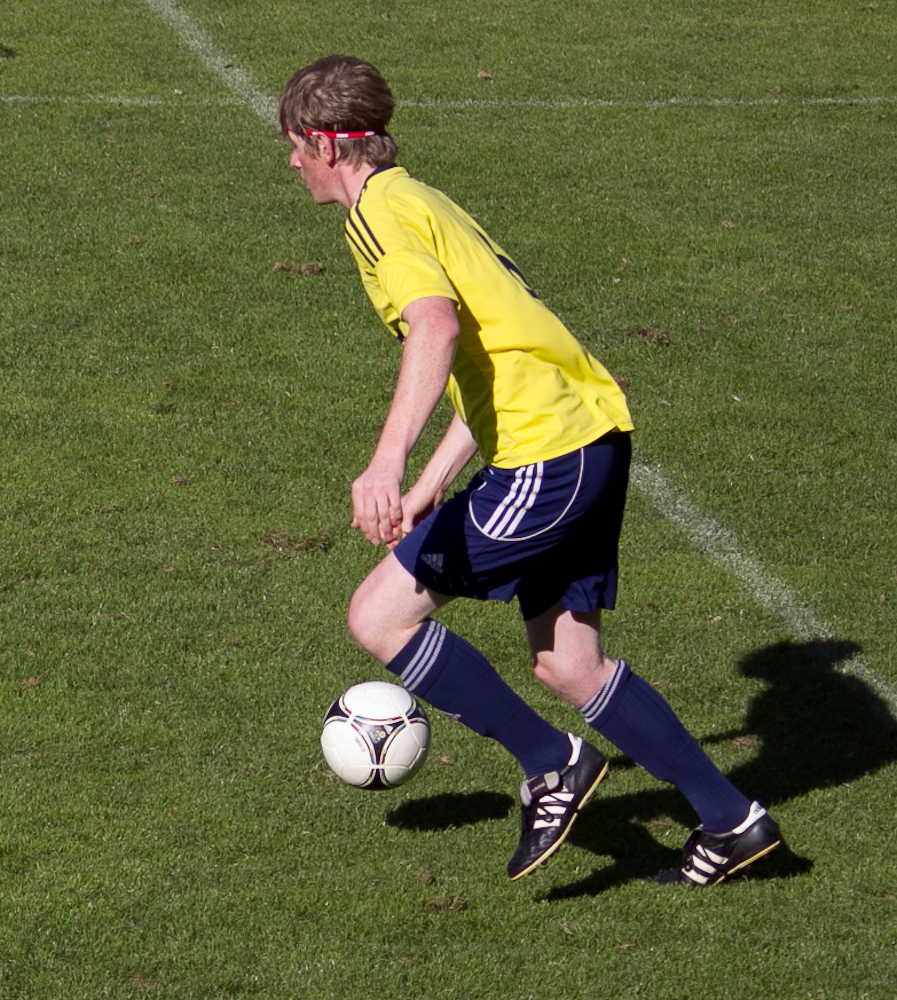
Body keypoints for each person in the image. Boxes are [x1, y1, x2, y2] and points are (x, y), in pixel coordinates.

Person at [278, 54, 781, 885]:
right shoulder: (422, 198)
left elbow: (437, 330)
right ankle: (733, 822)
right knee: (567, 664)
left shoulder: (378, 217)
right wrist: (434, 479)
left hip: (549, 458)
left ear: (325, 145)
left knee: (378, 616)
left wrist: (385, 463)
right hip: (587, 436)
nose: (292, 163)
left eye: (294, 146)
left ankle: (552, 763)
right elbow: (497, 350)